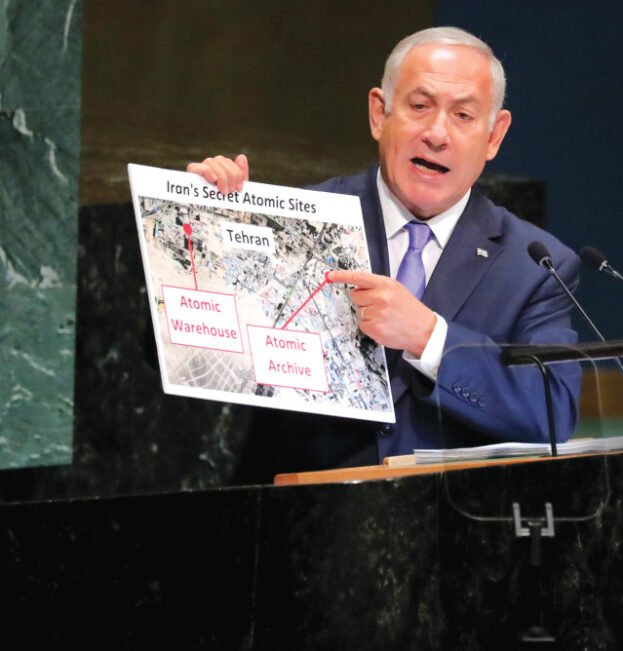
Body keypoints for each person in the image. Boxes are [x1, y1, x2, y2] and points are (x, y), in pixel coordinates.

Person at [188, 27, 581, 471]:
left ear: (494, 136)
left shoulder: (534, 266)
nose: (437, 134)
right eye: (420, 106)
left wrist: (430, 338)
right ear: (379, 113)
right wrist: (204, 235)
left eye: (463, 115)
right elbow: (183, 352)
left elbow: (551, 414)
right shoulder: (296, 223)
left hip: (447, 509)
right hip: (298, 504)